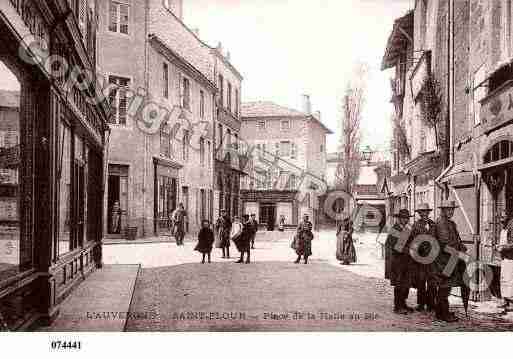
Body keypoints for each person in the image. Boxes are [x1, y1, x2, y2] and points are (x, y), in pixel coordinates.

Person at [433, 200, 467, 322]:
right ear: (443, 210)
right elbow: (445, 243)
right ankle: (443, 313)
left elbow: (455, 240)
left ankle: (441, 311)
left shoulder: (450, 223)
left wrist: (461, 247)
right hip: (444, 261)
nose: (451, 212)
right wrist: (459, 249)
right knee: (445, 286)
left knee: (446, 287)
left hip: (450, 259)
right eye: (448, 209)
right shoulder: (442, 223)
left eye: (452, 209)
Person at [385, 209, 414, 315]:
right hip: (397, 261)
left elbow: (412, 242)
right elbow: (393, 246)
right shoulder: (395, 229)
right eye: (403, 218)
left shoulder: (408, 229)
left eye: (407, 218)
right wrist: (408, 250)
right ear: (399, 218)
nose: (405, 220)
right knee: (399, 284)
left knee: (406, 284)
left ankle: (403, 303)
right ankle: (397, 306)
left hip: (407, 261)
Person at [410, 203, 437, 312]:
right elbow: (412, 242)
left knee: (432, 282)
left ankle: (431, 304)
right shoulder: (415, 226)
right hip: (420, 258)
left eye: (426, 212)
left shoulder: (433, 224)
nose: (424, 214)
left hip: (432, 258)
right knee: (421, 282)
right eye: (422, 212)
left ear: (428, 213)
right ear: (419, 214)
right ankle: (421, 304)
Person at [499, 214, 513, 310]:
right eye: (500, 217)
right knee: (504, 279)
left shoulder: (511, 228)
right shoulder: (504, 228)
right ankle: (505, 301)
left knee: (510, 280)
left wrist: (502, 247)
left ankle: (511, 303)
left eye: (503, 217)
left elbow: (512, 244)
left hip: (510, 257)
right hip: (504, 257)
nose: (500, 220)